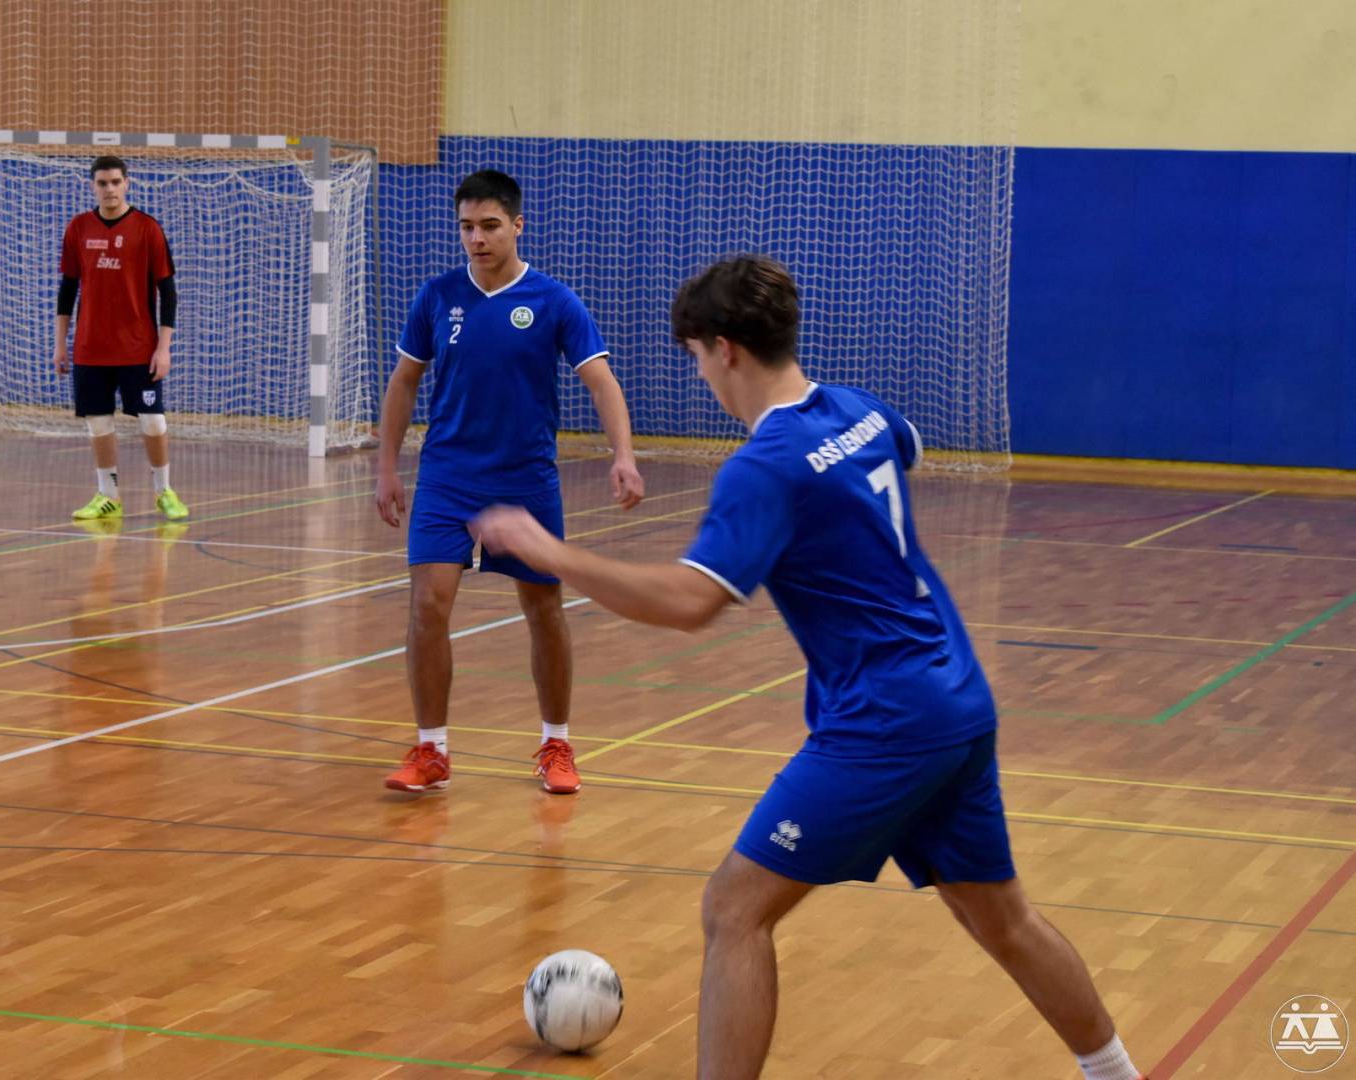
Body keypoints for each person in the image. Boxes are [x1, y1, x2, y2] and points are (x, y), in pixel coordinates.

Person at [472, 256, 1145, 1080]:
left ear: (724, 349)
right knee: (1000, 918)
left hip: (886, 721)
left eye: (695, 358)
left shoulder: (765, 466)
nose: (701, 377)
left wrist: (548, 551)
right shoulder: (860, 411)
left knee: (734, 909)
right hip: (956, 698)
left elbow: (689, 602)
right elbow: (904, 451)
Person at [375, 169, 644, 796]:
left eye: (490, 226)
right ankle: (431, 749)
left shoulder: (554, 301)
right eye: (467, 227)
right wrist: (386, 468)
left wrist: (624, 456)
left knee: (543, 609)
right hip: (447, 476)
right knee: (428, 605)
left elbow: (601, 381)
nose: (477, 238)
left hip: (526, 480)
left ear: (517, 226)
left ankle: (557, 742)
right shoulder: (437, 296)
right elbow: (404, 382)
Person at [53, 155, 188, 522]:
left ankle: (164, 491)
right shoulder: (78, 228)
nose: (109, 189)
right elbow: (67, 290)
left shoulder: (147, 228)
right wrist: (60, 344)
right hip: (91, 349)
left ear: (127, 183)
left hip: (138, 349)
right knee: (98, 423)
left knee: (153, 421)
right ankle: (108, 496)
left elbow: (168, 292)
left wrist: (163, 348)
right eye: (102, 183)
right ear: (92, 186)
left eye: (115, 182)